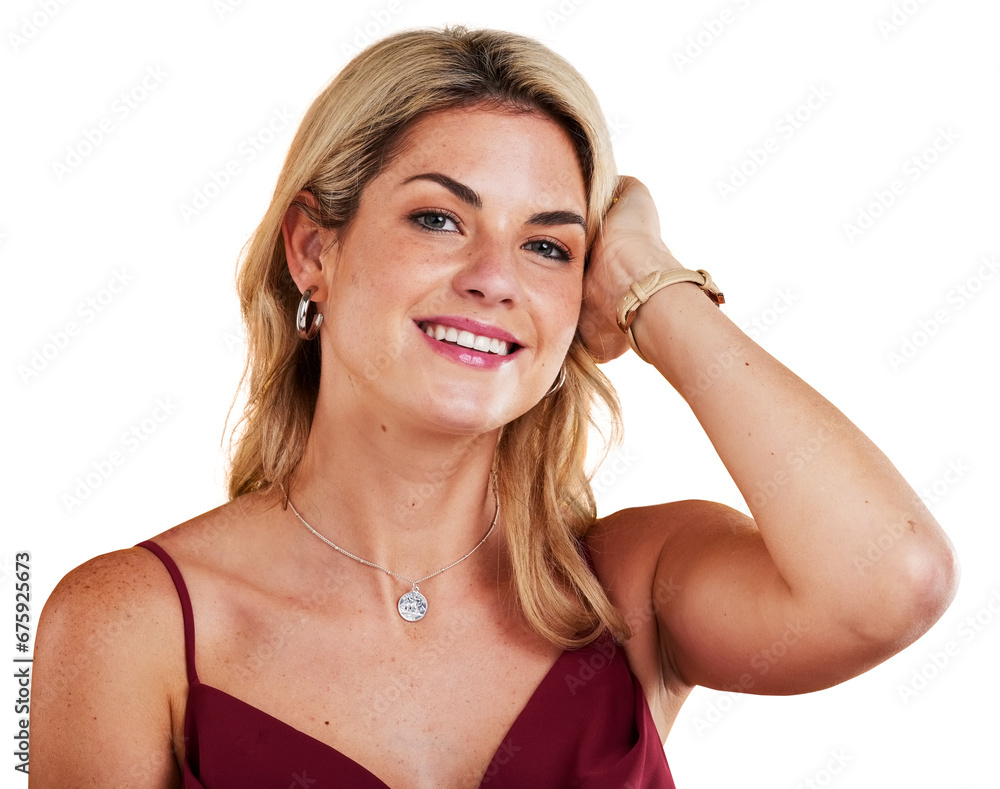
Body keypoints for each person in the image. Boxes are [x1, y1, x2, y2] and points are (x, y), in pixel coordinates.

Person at [30, 25, 958, 788]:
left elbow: (894, 579)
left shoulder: (626, 590)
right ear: (313, 248)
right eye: (439, 218)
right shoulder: (130, 628)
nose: (493, 278)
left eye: (548, 247)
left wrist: (651, 282)